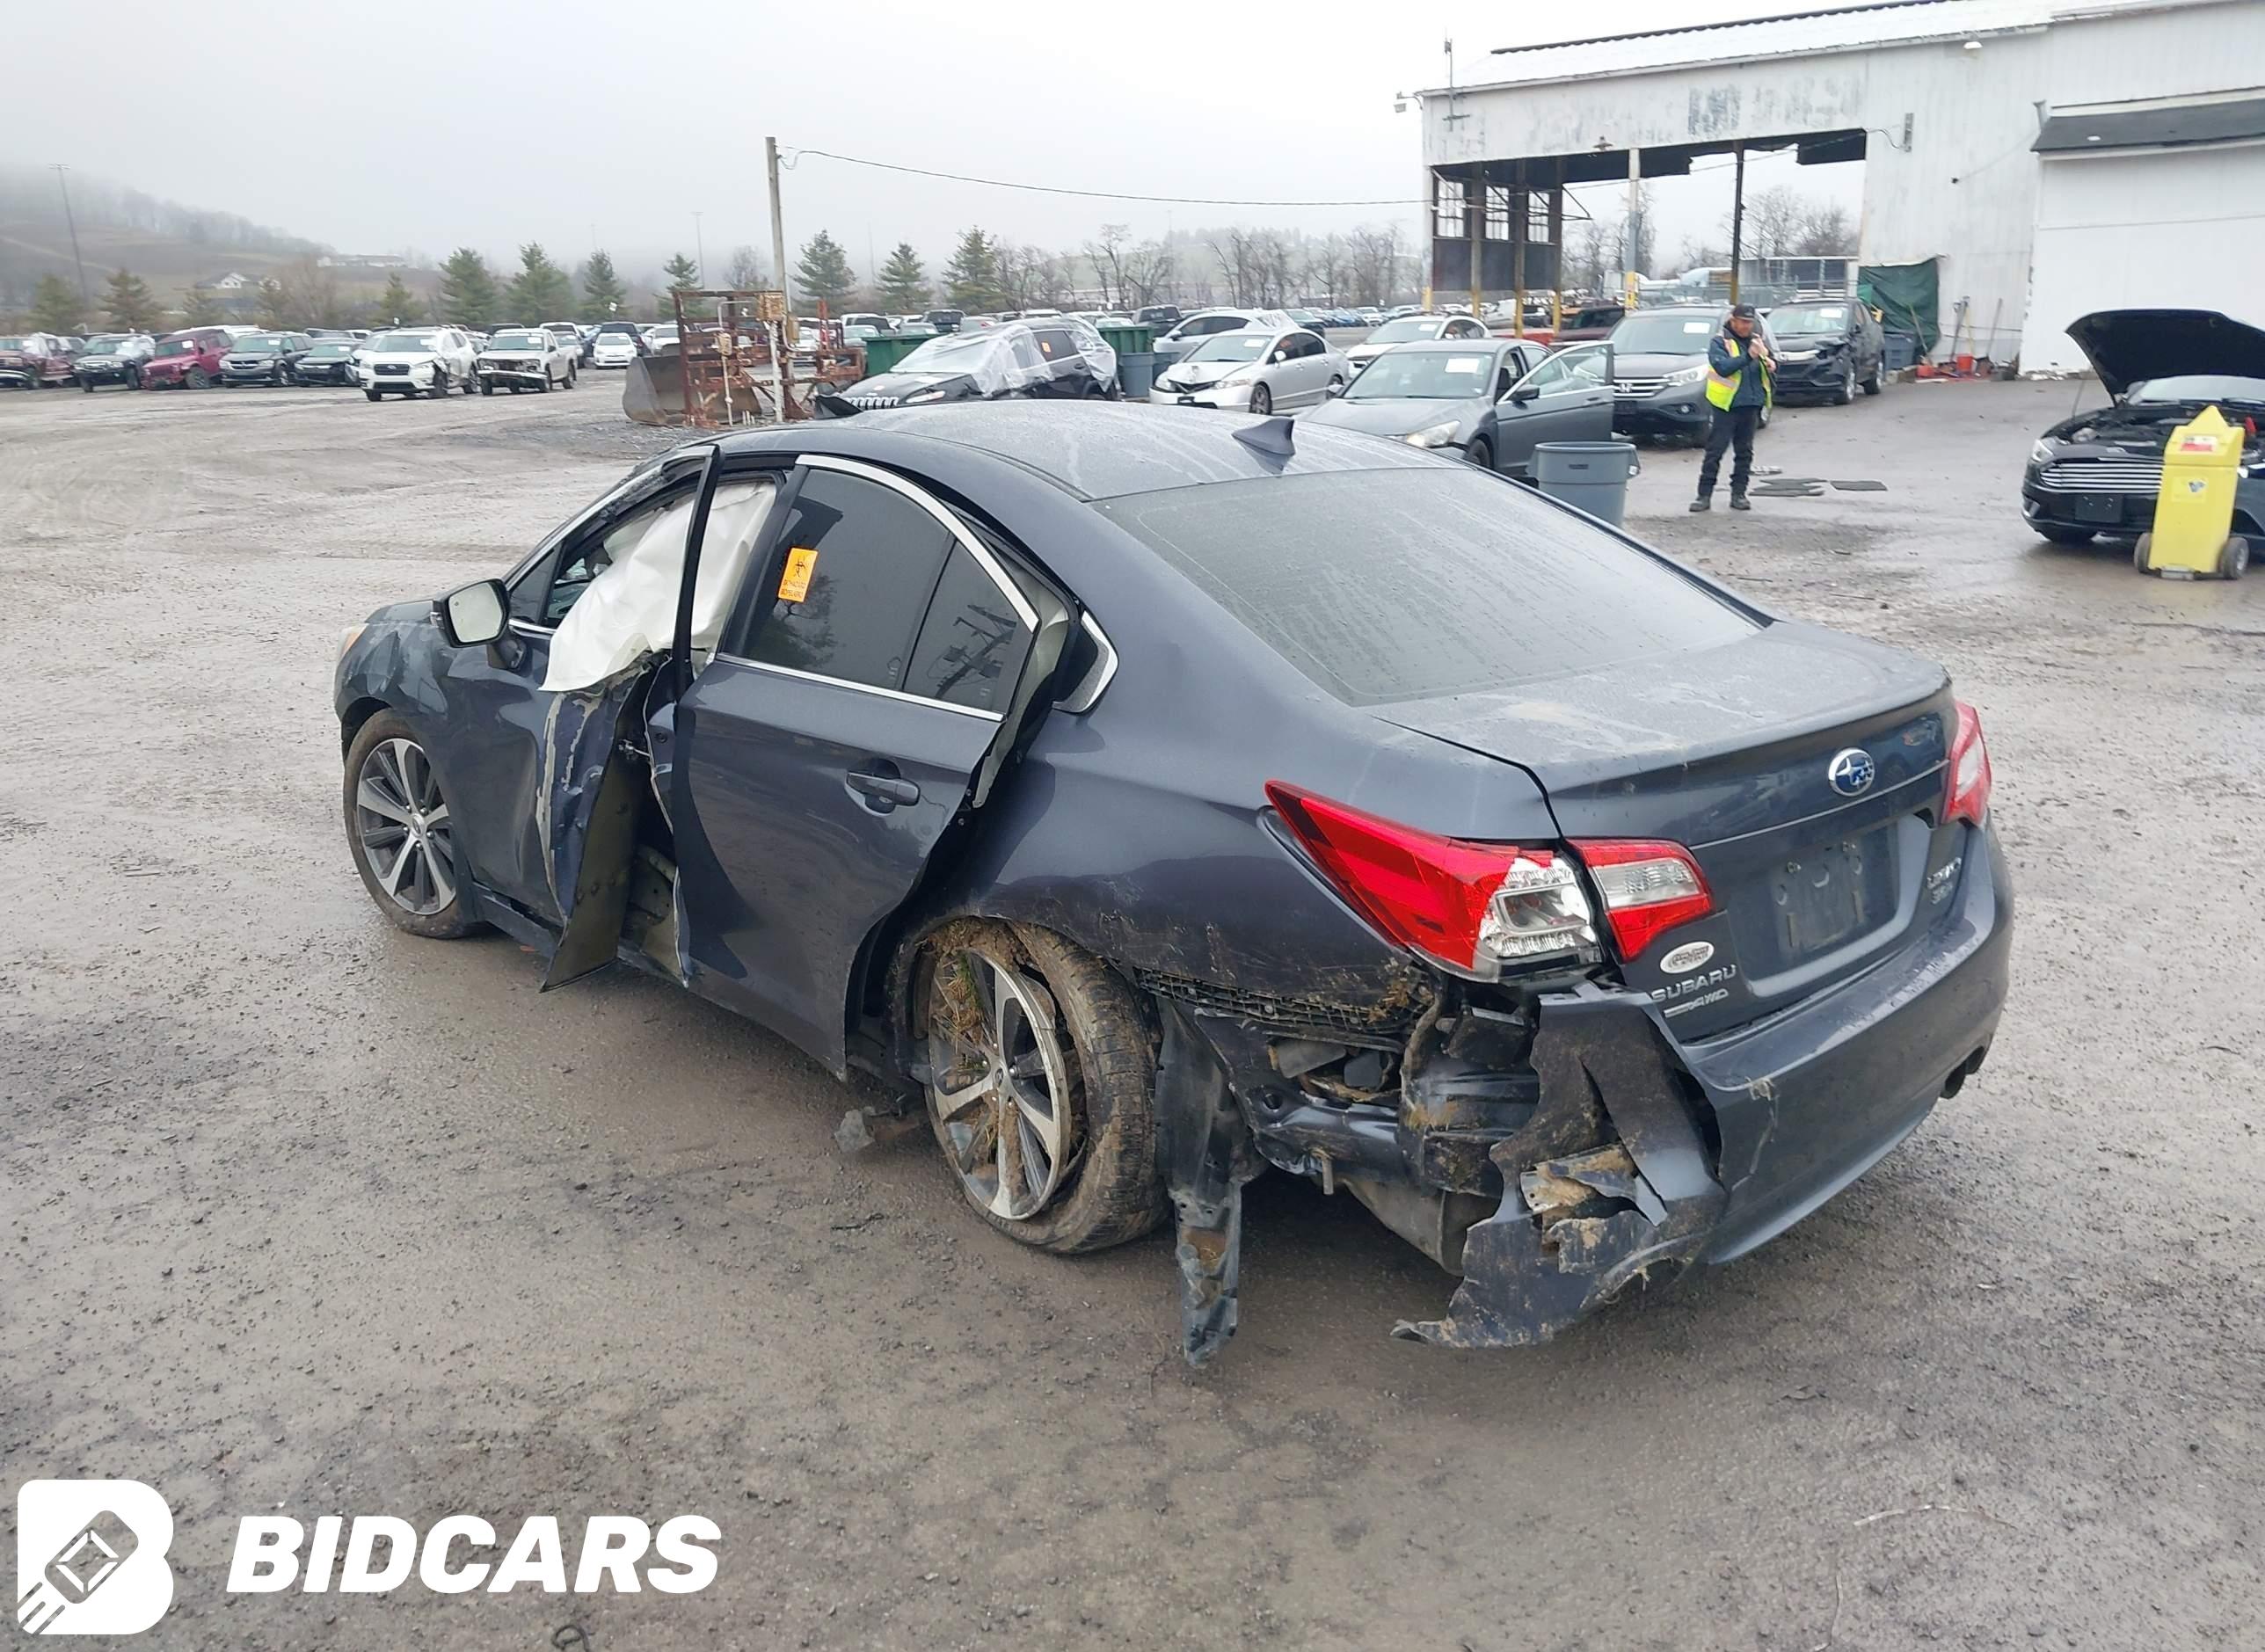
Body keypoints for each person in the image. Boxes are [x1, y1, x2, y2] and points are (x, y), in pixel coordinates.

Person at [1691, 303, 1773, 513]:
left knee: (1744, 452)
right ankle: (1704, 495)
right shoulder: (1720, 342)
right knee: (1715, 451)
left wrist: (1770, 364)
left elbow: (1766, 364)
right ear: (1733, 320)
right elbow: (1723, 368)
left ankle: (1739, 494)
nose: (1746, 326)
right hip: (1726, 406)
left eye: (1749, 322)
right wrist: (1749, 357)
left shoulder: (1756, 341)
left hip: (1751, 404)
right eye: (1743, 322)